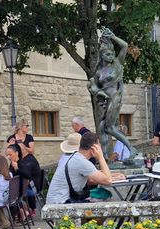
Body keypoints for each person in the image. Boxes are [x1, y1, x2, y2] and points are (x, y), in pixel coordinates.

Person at [88, 27, 137, 158]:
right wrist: (96, 90)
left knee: (110, 128)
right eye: (108, 54)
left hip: (115, 98)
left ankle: (131, 149)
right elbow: (94, 87)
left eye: (111, 54)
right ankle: (103, 157)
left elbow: (125, 46)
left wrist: (113, 37)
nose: (111, 56)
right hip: (105, 101)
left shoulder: (117, 64)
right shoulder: (99, 72)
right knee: (102, 128)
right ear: (102, 55)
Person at [46, 132, 124, 204]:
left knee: (102, 197)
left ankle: (90, 220)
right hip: (60, 203)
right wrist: (101, 157)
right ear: (94, 148)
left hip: (56, 200)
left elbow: (94, 177)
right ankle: (91, 220)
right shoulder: (81, 161)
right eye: (99, 145)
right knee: (105, 203)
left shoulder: (75, 157)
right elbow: (107, 180)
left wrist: (114, 175)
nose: (101, 147)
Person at [6, 143, 41, 218]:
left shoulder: (21, 163)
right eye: (7, 155)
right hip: (18, 190)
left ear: (17, 153)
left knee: (4, 196)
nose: (8, 157)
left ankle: (22, 213)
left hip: (21, 191)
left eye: (10, 155)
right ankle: (21, 213)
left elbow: (27, 175)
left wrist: (17, 169)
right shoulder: (12, 163)